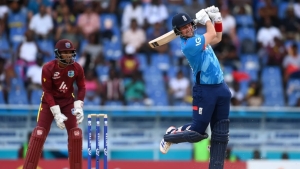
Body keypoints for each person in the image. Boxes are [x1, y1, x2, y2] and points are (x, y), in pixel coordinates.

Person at [159, 6, 231, 169]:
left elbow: (217, 37)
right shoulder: (189, 45)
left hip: (221, 88)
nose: (188, 29)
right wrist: (206, 19)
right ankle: (170, 135)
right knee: (197, 133)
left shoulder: (200, 38)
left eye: (189, 25)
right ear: (179, 32)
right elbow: (212, 34)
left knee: (221, 134)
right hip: (204, 91)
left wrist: (217, 20)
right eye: (184, 28)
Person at [23, 39, 86, 169]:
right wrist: (56, 113)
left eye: (71, 52)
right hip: (48, 103)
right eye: (65, 52)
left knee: (75, 134)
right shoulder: (48, 68)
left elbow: (82, 87)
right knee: (39, 133)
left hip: (68, 102)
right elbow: (47, 91)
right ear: (58, 54)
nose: (69, 55)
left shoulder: (77, 67)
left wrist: (79, 106)